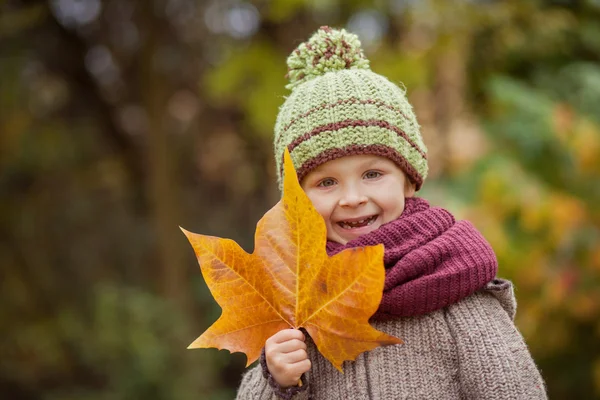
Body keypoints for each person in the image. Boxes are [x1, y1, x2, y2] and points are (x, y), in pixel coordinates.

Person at [235, 26, 547, 399]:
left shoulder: (451, 281)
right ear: (296, 202)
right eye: (326, 182)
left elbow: (513, 389)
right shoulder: (294, 300)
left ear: (408, 180)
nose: (352, 197)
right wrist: (279, 382)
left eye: (372, 174)